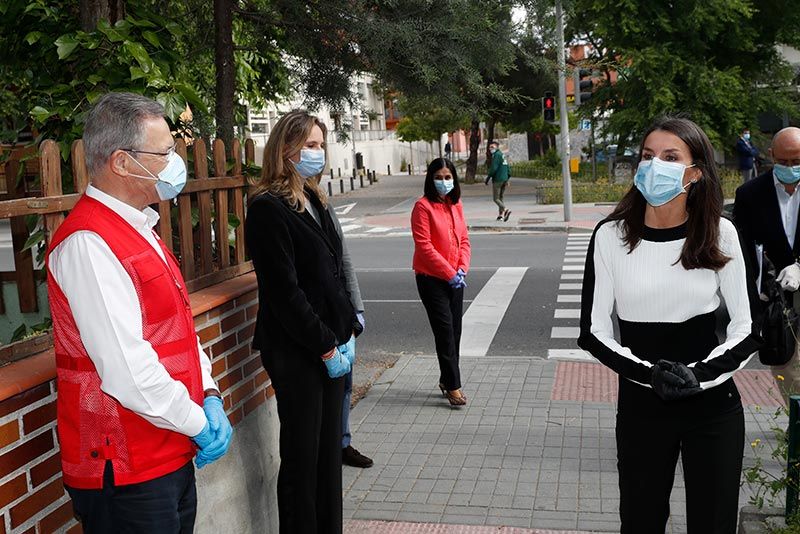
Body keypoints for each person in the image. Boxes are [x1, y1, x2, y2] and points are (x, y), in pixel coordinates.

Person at [46, 92, 233, 533]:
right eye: (165, 152)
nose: (175, 161)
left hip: (166, 449)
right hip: (126, 464)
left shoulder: (139, 226)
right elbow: (127, 369)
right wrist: (197, 423)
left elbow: (178, 330)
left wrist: (208, 393)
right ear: (122, 162)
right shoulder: (89, 243)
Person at [578, 116, 762, 534]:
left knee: (713, 524)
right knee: (641, 523)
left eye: (670, 156)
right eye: (648, 155)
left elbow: (747, 329)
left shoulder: (721, 233)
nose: (654, 164)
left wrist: (697, 376)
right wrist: (649, 375)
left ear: (695, 173)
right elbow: (593, 331)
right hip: (643, 408)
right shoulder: (610, 236)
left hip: (712, 406)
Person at [245, 109, 362, 533]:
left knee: (328, 456)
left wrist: (349, 329)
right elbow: (284, 292)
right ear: (286, 149)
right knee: (302, 458)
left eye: (320, 145)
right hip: (298, 351)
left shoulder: (314, 198)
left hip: (332, 344)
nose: (318, 153)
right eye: (309, 146)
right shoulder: (266, 208)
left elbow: (333, 271)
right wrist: (326, 345)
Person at [733, 126, 800, 403]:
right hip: (776, 295)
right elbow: (742, 245)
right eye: (783, 161)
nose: (790, 168)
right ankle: (796, 423)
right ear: (771, 156)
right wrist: (753, 292)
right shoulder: (750, 194)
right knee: (785, 361)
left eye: (797, 162)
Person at [411, 158, 471, 406]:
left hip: (456, 279)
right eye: (439, 177)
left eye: (448, 177)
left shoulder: (455, 204)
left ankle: (447, 379)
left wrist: (462, 269)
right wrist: (449, 273)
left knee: (455, 332)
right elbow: (424, 247)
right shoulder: (422, 207)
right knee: (445, 332)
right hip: (431, 279)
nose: (444, 182)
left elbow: (464, 240)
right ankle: (454, 386)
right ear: (430, 178)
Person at [485, 141, 511, 221]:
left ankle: (505, 209)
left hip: (498, 179)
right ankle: (501, 215)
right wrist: (507, 178)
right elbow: (508, 167)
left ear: (497, 147)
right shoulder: (502, 155)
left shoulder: (496, 155)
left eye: (492, 147)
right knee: (500, 197)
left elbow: (493, 168)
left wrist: (488, 178)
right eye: (489, 147)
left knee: (495, 198)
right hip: (504, 179)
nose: (490, 149)